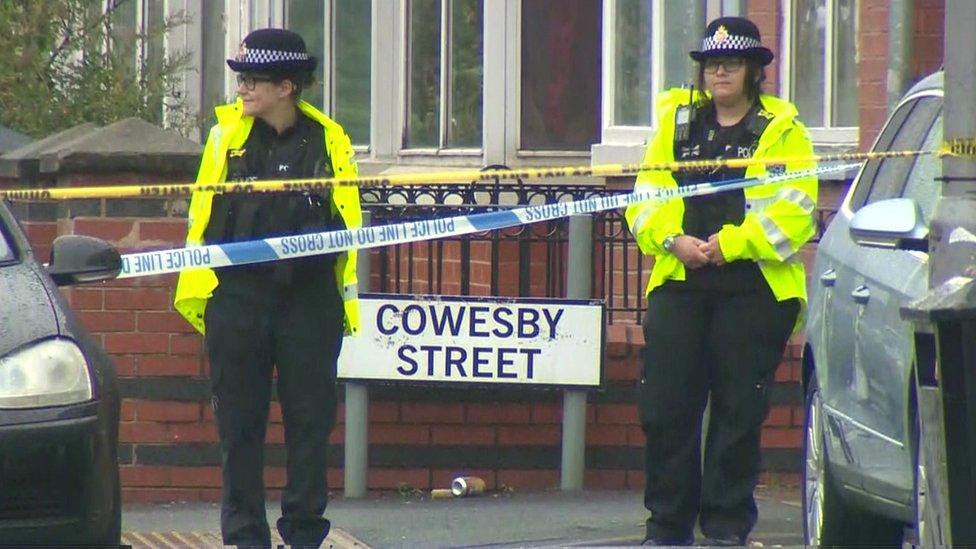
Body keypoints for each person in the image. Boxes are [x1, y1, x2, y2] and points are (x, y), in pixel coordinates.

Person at [624, 17, 817, 546]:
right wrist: (674, 240)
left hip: (752, 288)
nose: (719, 72)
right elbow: (645, 198)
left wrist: (730, 244)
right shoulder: (677, 124)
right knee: (665, 407)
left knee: (737, 410)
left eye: (730, 63)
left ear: (754, 70)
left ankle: (726, 528)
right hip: (681, 280)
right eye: (711, 64)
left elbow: (796, 213)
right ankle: (667, 527)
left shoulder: (783, 132)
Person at [174, 28, 361, 548]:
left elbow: (346, 218)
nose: (242, 88)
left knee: (310, 422)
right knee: (239, 426)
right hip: (237, 297)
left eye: (253, 79)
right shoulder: (225, 139)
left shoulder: (329, 141)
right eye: (241, 77)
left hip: (308, 299)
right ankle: (244, 536)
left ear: (287, 85)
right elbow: (203, 215)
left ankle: (303, 533)